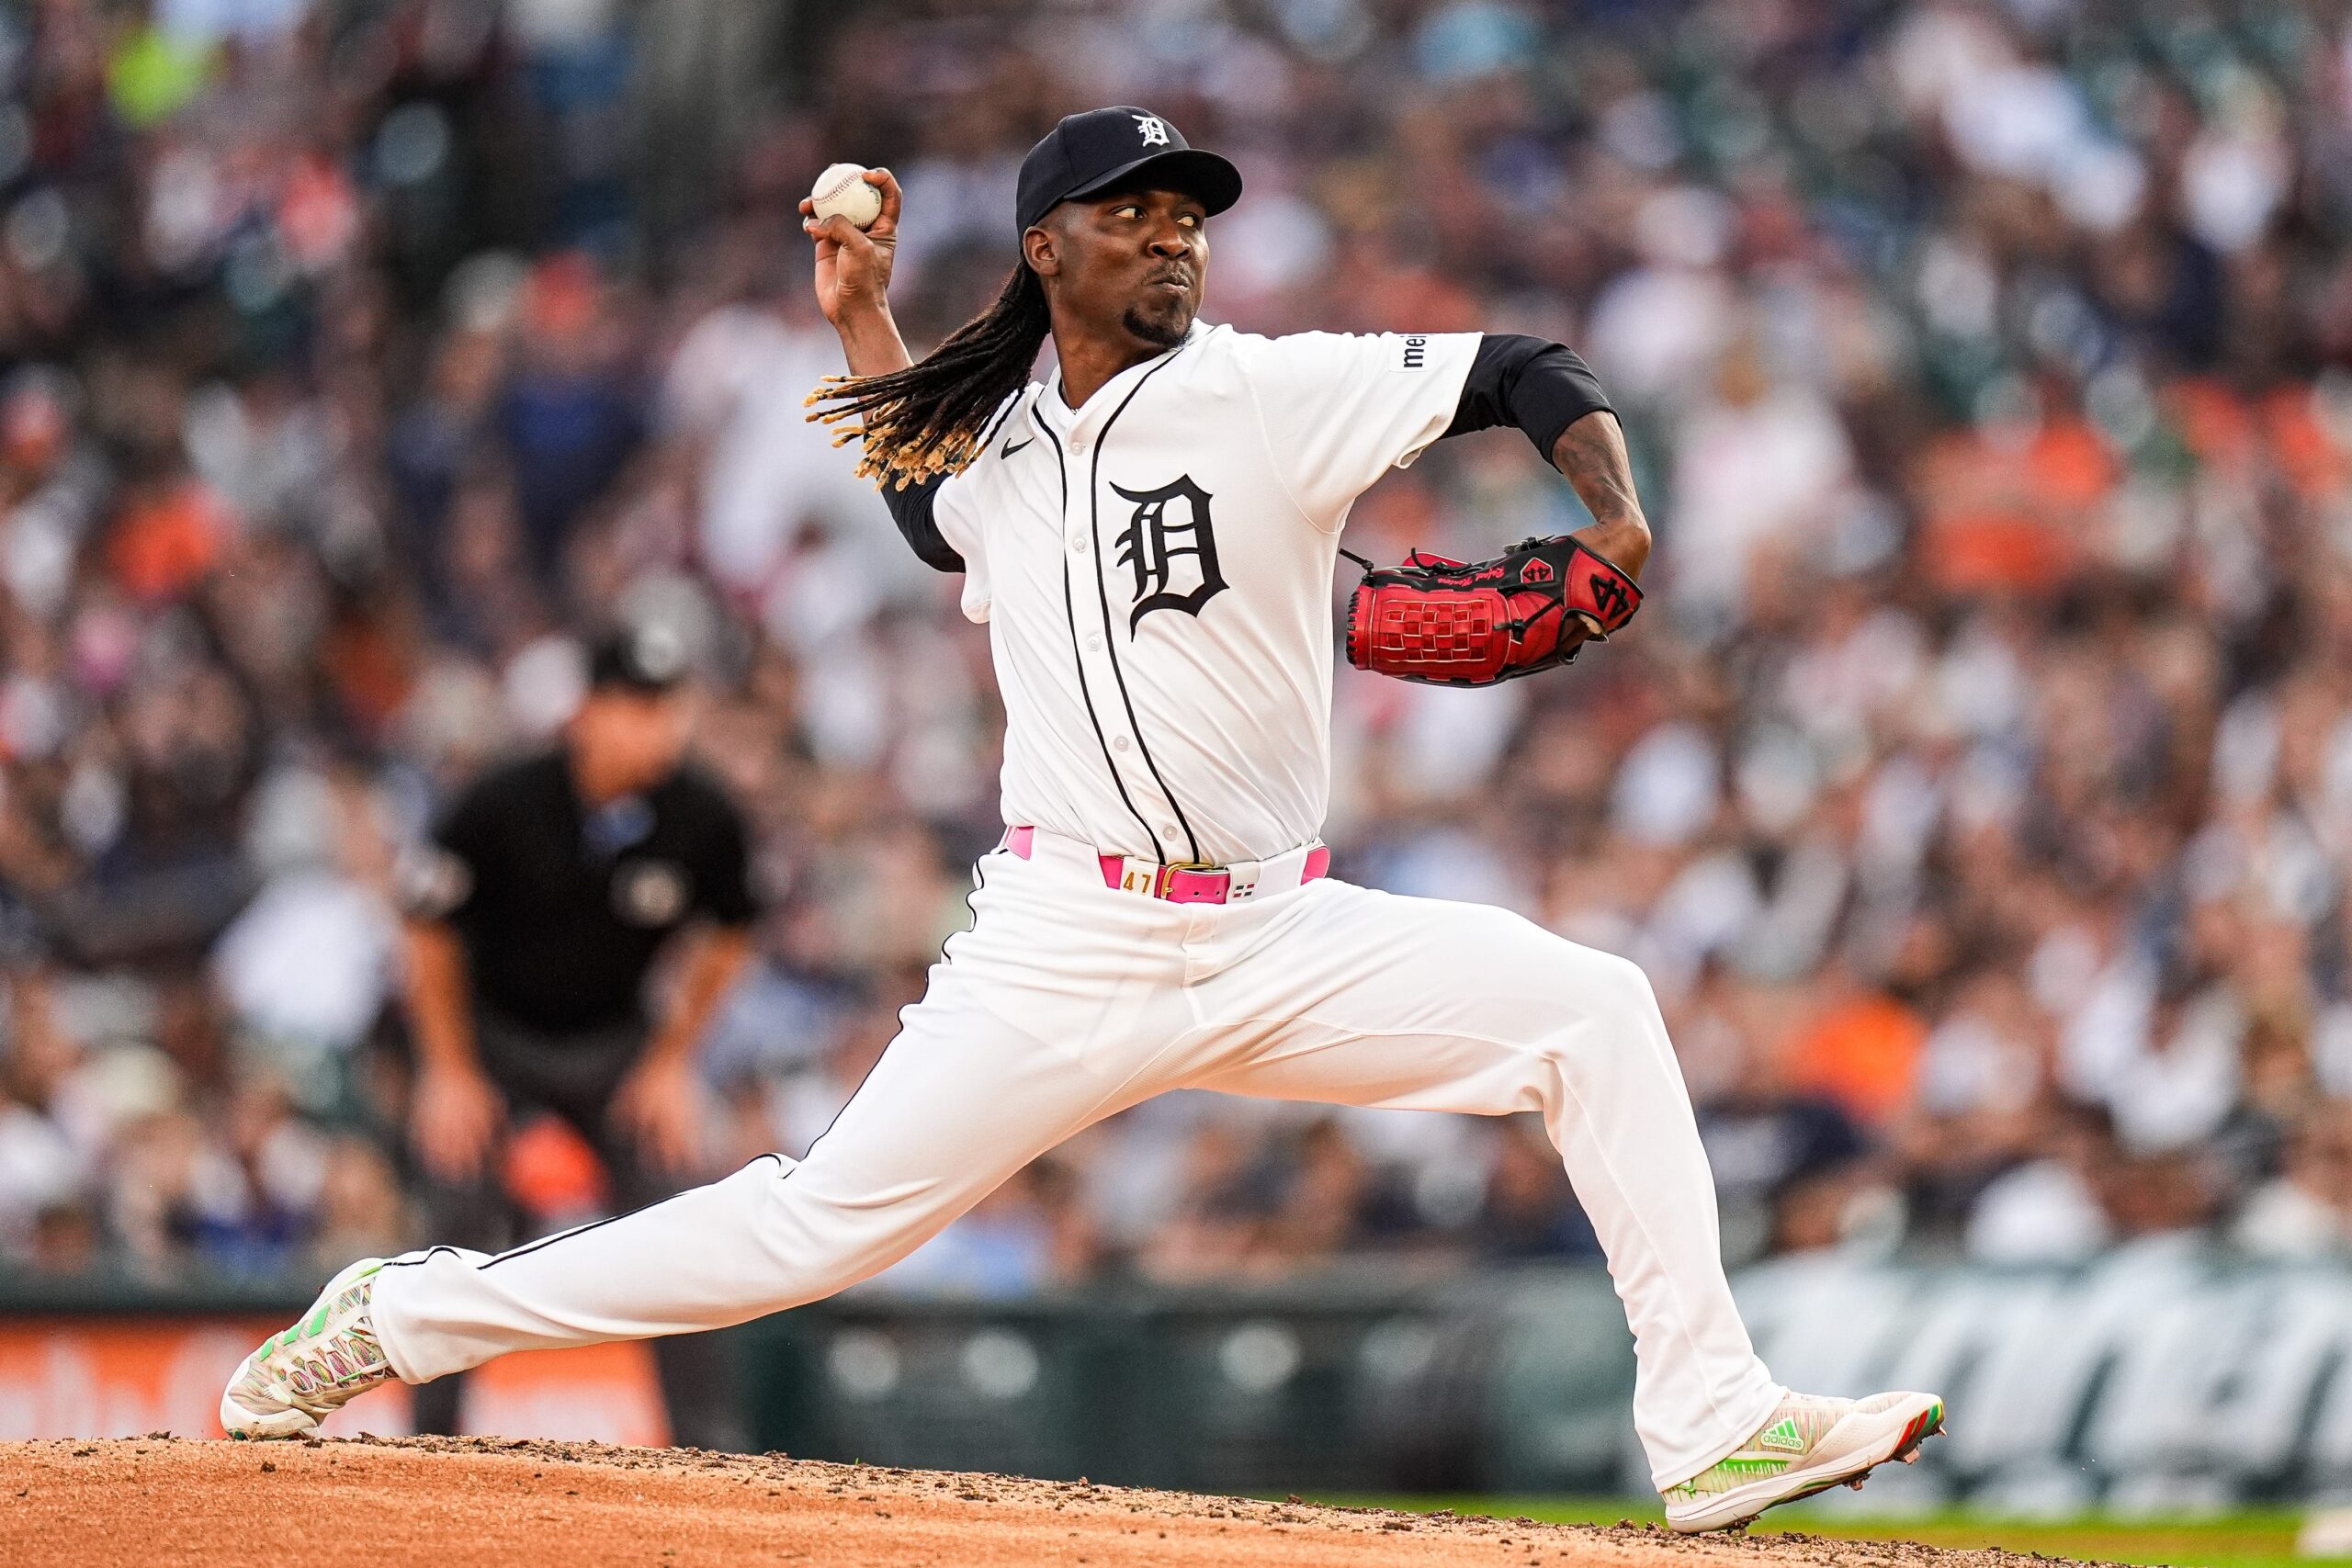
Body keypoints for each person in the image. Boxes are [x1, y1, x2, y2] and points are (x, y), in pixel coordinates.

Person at [220, 107, 1940, 1530]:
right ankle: (393, 1314)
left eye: (1192, 211)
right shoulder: (1011, 458)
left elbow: (1522, 363)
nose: (1178, 232)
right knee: (808, 1229)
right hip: (1062, 942)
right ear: (1050, 248)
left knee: (1596, 1009)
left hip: (1279, 929)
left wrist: (1615, 515)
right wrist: (856, 312)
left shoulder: (1266, 389)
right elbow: (922, 512)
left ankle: (1712, 1420)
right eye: (1136, 211)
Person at [386, 622, 755, 1450]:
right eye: (635, 706)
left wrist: (671, 1059)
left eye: (668, 707)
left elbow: (732, 932)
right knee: (458, 1219)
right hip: (497, 1040)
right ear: (587, 710)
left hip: (616, 1045)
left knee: (681, 1227)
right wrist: (447, 1068)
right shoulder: (504, 800)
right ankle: (424, 1449)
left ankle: (712, 1454)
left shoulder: (703, 817)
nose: (657, 726)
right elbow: (426, 926)